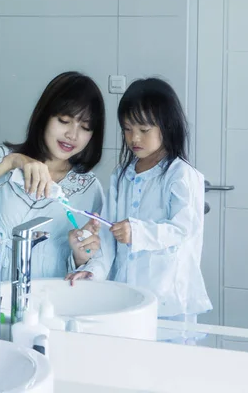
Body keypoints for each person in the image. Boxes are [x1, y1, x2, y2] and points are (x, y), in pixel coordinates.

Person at [0, 71, 110, 281]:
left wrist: (81, 256)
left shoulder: (89, 188)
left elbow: (96, 263)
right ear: (45, 116)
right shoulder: (2, 159)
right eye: (64, 120)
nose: (72, 135)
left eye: (85, 127)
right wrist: (13, 162)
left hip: (51, 303)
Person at [87, 77, 212, 323]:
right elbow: (105, 234)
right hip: (125, 293)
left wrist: (138, 232)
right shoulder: (121, 176)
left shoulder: (181, 175)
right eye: (127, 128)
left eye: (144, 130)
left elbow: (183, 230)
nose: (134, 138)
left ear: (167, 126)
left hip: (169, 298)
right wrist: (92, 272)